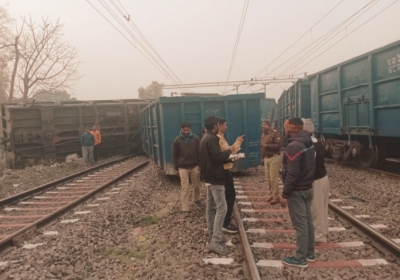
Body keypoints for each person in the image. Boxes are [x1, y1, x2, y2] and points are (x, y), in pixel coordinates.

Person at [280, 118, 316, 268]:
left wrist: (285, 194)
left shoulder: (294, 146)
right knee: (308, 222)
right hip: (308, 188)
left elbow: (292, 173)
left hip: (298, 191)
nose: (284, 130)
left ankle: (300, 258)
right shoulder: (308, 141)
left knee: (300, 225)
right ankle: (310, 253)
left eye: (286, 127)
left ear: (292, 128)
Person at [200, 115, 234, 255]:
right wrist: (229, 151)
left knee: (210, 207)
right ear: (215, 126)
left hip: (208, 176)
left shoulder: (204, 138)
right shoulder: (213, 139)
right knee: (222, 208)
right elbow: (217, 157)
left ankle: (212, 234)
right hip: (216, 177)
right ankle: (215, 240)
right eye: (218, 125)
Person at [302, 118, 329, 245]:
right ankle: (324, 232)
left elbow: (310, 165)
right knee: (323, 207)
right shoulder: (318, 142)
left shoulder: (309, 145)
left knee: (316, 209)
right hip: (323, 177)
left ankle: (319, 237)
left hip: (316, 180)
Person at [217, 117, 244, 233]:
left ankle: (224, 220)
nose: (226, 127)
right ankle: (225, 223)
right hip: (224, 170)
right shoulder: (219, 139)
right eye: (225, 125)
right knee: (229, 196)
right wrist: (238, 143)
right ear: (219, 126)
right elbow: (229, 152)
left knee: (226, 196)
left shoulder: (219, 138)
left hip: (224, 169)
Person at [172, 122, 201, 215]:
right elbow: (174, 154)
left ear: (190, 129)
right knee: (185, 187)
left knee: (196, 185)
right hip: (182, 167)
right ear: (181, 129)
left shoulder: (196, 139)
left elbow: (200, 152)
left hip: (194, 165)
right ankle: (185, 209)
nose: (185, 132)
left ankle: (197, 199)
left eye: (187, 130)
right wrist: (176, 167)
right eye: (184, 130)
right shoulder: (177, 140)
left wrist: (200, 165)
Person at [260, 119, 282, 204]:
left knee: (273, 178)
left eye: (265, 124)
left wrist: (267, 146)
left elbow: (279, 145)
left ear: (269, 125)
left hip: (274, 157)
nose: (263, 126)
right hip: (267, 158)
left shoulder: (275, 134)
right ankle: (272, 195)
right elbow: (263, 148)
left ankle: (276, 197)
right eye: (262, 124)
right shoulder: (263, 134)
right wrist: (262, 157)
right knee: (269, 178)